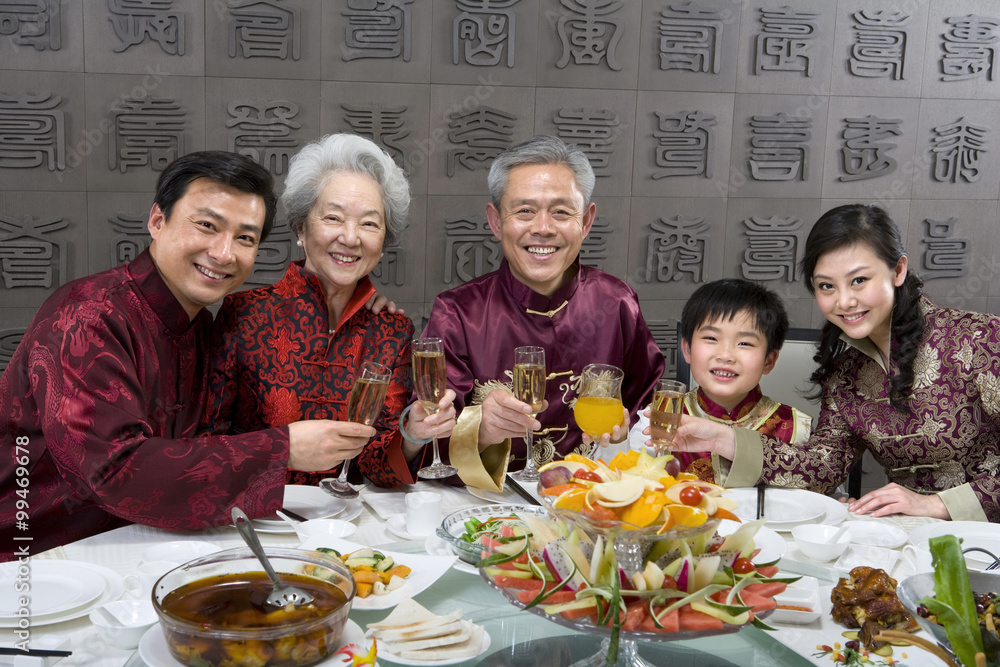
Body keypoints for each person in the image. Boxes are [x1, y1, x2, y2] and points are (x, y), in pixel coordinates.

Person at [0, 151, 390, 561]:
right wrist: (283, 448)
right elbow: (111, 472)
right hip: (33, 553)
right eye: (207, 225)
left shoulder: (203, 327)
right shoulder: (89, 315)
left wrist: (360, 305)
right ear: (157, 221)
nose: (224, 253)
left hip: (143, 547)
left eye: (245, 238)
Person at [671, 203, 1000, 522]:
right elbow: (821, 470)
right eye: (827, 286)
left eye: (859, 280)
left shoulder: (979, 338)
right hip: (910, 534)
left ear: (898, 270)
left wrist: (937, 504)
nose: (844, 301)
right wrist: (721, 439)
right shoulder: (846, 375)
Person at [201, 134, 455, 487]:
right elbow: (207, 443)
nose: (350, 238)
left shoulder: (391, 329)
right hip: (259, 519)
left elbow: (376, 466)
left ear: (383, 241)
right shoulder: (244, 314)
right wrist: (281, 450)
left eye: (369, 223)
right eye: (333, 218)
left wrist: (412, 435)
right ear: (301, 228)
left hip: (347, 526)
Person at [422, 135, 664, 491]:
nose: (543, 228)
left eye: (561, 212)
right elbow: (425, 438)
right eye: (524, 211)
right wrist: (478, 429)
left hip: (593, 508)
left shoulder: (617, 303)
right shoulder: (458, 313)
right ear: (495, 221)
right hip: (486, 509)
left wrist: (628, 436)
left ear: (586, 221)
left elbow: (652, 415)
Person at [648, 279, 812, 482]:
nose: (725, 355)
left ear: (769, 361)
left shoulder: (798, 429)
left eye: (744, 343)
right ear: (687, 349)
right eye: (711, 338)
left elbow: (821, 498)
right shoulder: (660, 419)